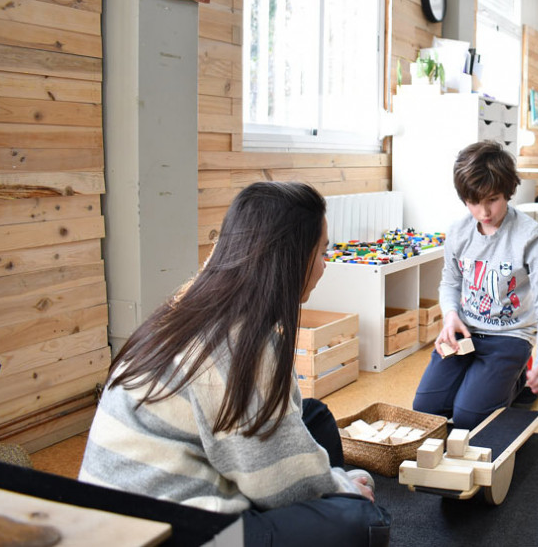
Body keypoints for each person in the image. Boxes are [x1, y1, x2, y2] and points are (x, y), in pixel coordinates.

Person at [79, 182, 391, 545]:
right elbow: (272, 480)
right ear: (293, 257)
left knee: (315, 416)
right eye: (322, 252)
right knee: (361, 522)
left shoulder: (197, 304)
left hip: (144, 495)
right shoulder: (239, 343)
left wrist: (329, 485)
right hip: (164, 532)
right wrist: (342, 489)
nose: (324, 265)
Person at [412, 141, 538, 429]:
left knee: (469, 418)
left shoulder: (532, 238)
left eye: (492, 199)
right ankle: (494, 378)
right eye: (474, 203)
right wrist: (451, 316)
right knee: (427, 410)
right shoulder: (458, 232)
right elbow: (450, 282)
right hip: (466, 333)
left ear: (508, 191)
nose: (484, 212)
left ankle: (519, 377)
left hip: (510, 336)